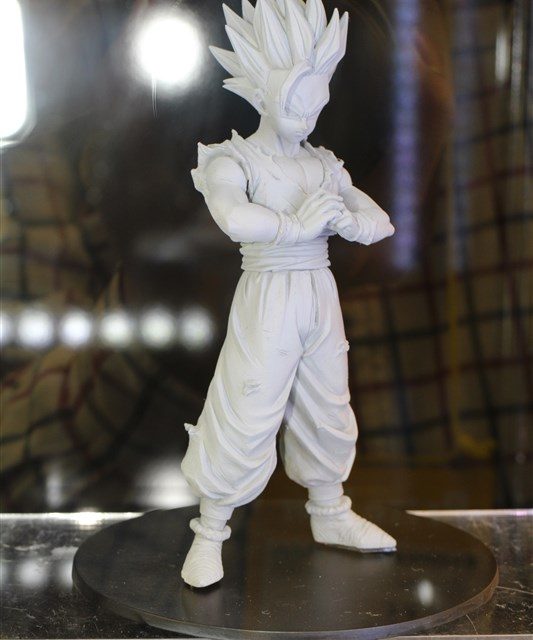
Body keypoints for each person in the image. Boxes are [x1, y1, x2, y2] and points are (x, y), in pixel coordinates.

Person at [180, 0, 396, 589]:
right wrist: (297, 225)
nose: (307, 118)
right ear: (264, 94)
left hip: (318, 293)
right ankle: (210, 530)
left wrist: (348, 222)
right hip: (268, 290)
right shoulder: (234, 159)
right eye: (297, 105)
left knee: (327, 402)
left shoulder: (323, 164)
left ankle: (331, 511)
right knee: (248, 401)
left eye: (317, 104)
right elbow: (232, 216)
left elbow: (379, 221)